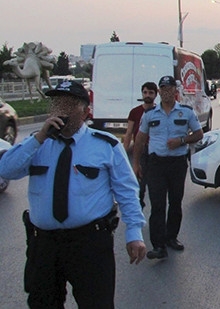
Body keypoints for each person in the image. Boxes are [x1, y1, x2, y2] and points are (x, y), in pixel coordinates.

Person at [0, 79, 146, 308]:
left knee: (96, 303)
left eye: (69, 105)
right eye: (56, 105)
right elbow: (6, 170)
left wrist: (134, 233)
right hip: (44, 245)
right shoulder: (37, 144)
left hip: (89, 244)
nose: (61, 111)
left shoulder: (105, 145)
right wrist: (39, 138)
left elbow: (127, 191)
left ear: (86, 112)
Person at [133, 76, 204, 259]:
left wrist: (181, 140)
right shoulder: (150, 114)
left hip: (177, 164)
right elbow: (140, 140)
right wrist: (136, 164)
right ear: (159, 92)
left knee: (175, 203)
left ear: (175, 91)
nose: (166, 92)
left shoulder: (186, 112)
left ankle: (172, 237)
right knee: (157, 205)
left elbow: (198, 134)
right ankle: (158, 246)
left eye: (169, 89)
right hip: (156, 164)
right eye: (162, 89)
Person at [123, 81, 158, 208]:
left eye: (150, 92)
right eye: (145, 92)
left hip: (155, 153)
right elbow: (128, 133)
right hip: (141, 152)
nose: (147, 95)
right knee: (139, 187)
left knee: (156, 188)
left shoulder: (159, 112)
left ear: (156, 94)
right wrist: (123, 153)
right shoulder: (135, 112)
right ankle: (137, 217)